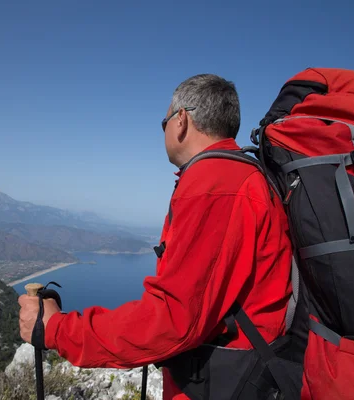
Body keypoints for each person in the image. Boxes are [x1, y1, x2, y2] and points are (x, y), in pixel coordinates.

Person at [18, 74, 294, 400]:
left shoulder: (216, 186)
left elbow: (173, 320)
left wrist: (57, 329)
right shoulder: (238, 176)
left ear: (181, 121)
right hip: (235, 378)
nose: (163, 130)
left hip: (228, 385)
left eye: (163, 122)